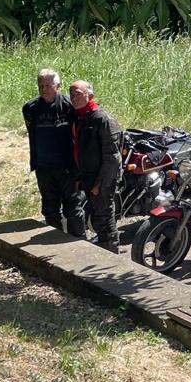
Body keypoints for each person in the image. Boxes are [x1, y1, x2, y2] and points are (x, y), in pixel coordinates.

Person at [22, 68, 83, 237]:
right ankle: (54, 240)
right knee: (49, 208)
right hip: (43, 167)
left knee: (72, 207)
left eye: (48, 85)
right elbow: (31, 133)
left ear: (58, 86)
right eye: (41, 85)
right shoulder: (30, 108)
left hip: (68, 167)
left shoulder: (69, 106)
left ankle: (78, 241)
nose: (44, 89)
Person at [69, 79, 123, 253]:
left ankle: (111, 253)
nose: (73, 98)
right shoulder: (80, 117)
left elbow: (112, 158)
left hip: (101, 179)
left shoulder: (103, 119)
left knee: (104, 217)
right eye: (71, 94)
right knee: (95, 216)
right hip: (87, 176)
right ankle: (103, 250)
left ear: (90, 95)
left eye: (77, 94)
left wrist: (100, 184)